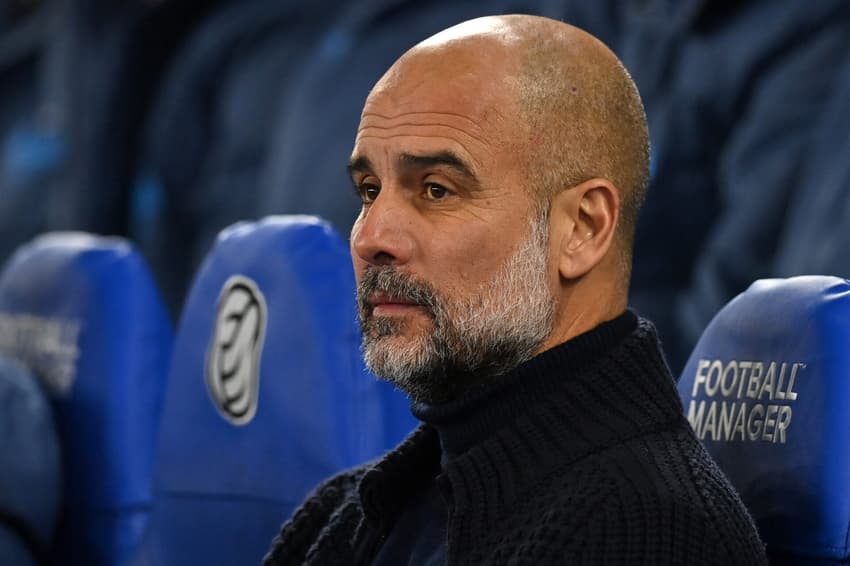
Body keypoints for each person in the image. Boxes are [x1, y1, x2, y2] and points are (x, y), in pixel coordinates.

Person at [264, 14, 766, 565]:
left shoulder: (642, 531)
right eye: (369, 190)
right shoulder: (346, 514)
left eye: (435, 189)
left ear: (582, 228)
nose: (371, 237)